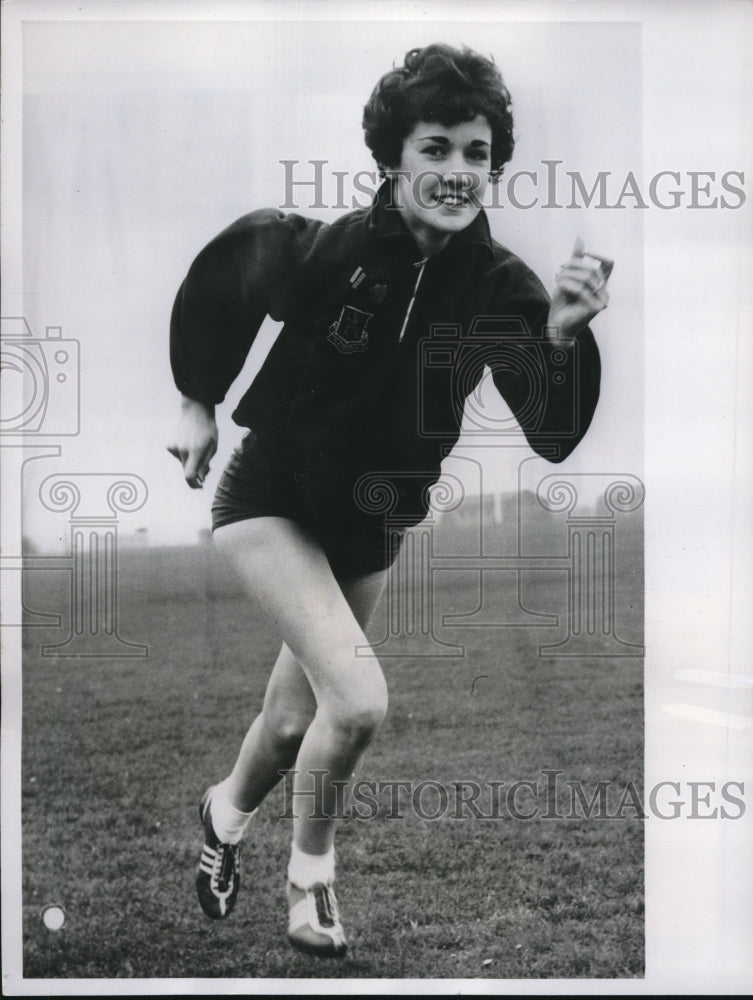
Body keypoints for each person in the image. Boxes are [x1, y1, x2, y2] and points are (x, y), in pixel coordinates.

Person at [168, 42, 609, 958]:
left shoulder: (499, 288)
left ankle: (222, 818)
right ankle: (311, 886)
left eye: (476, 154)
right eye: (436, 149)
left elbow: (552, 432)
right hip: (270, 498)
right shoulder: (329, 249)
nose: (457, 173)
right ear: (393, 158)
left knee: (292, 721)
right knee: (358, 703)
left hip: (373, 519)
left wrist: (559, 339)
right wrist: (197, 401)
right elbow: (233, 273)